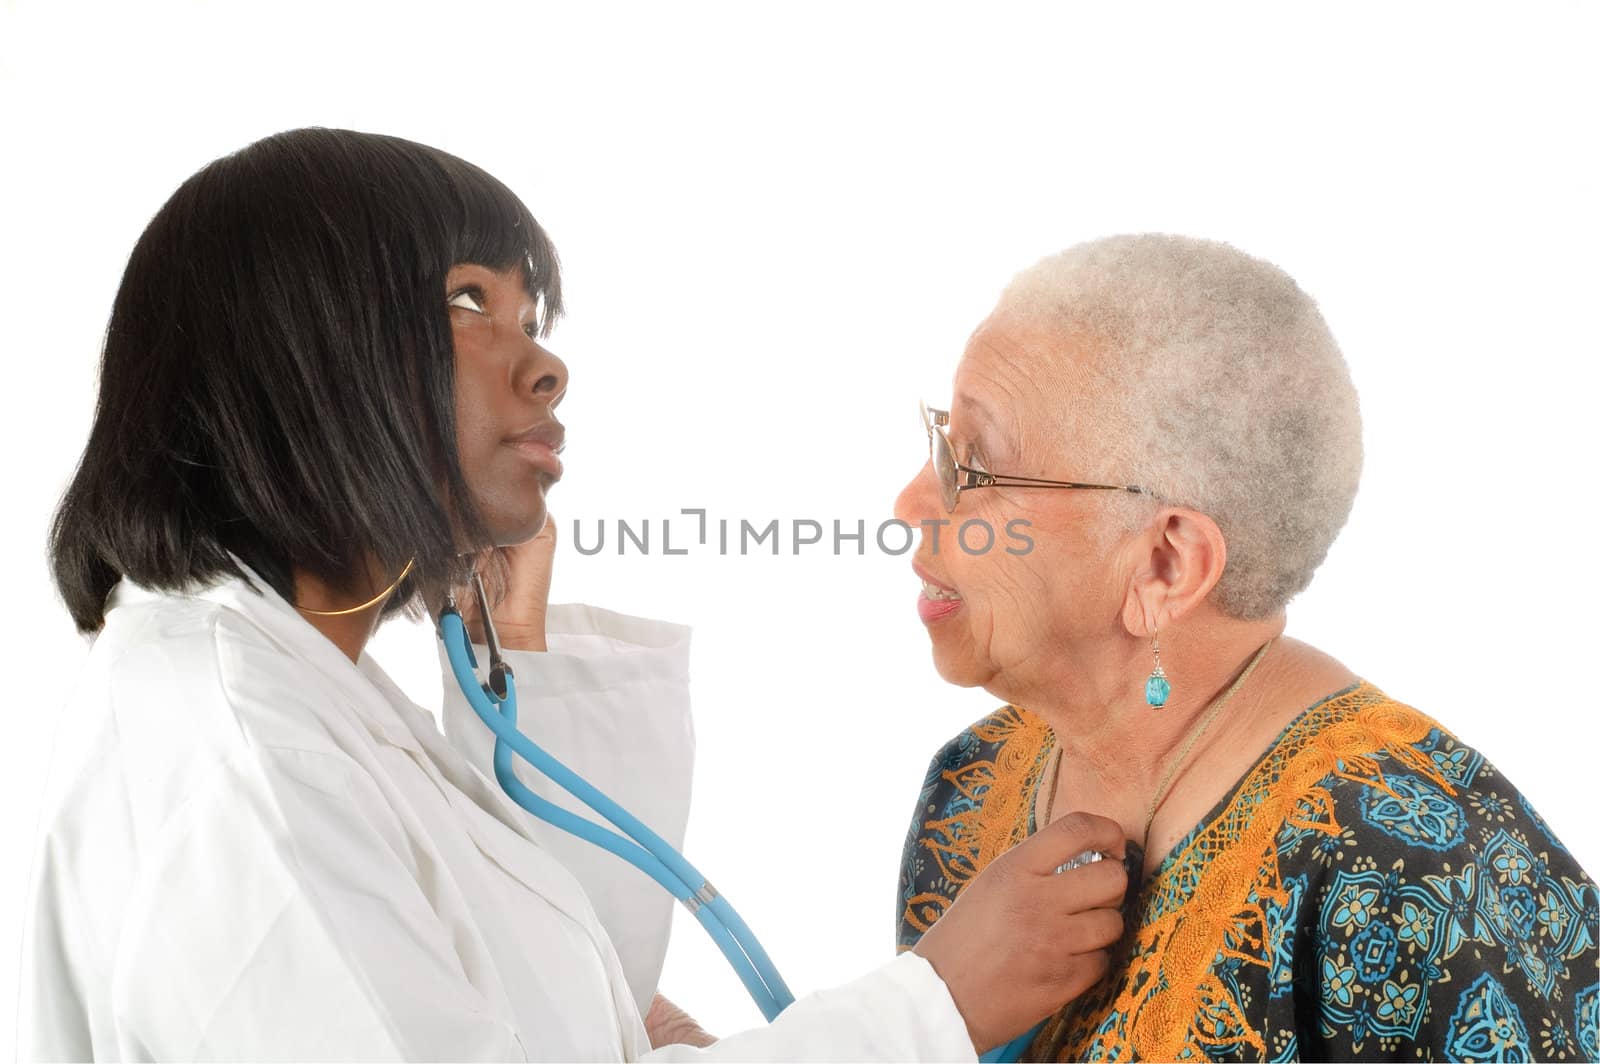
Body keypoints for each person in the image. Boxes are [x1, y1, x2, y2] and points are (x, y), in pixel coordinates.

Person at [20, 127, 1129, 1060]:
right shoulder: (241, 751)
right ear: (295, 348)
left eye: (531, 317)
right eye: (466, 300)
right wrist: (930, 1005)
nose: (545, 367)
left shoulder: (302, 698)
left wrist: (522, 659)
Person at [892, 234, 1600, 1061]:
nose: (910, 505)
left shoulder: (1420, 874)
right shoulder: (971, 788)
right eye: (943, 440)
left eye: (974, 465)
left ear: (1165, 564)